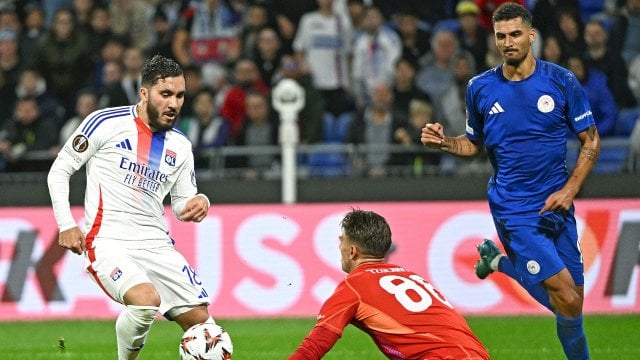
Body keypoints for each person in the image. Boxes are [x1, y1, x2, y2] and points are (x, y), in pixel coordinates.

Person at [421, 4, 599, 359]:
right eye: (501, 36)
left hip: (557, 204)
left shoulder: (561, 81)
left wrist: (569, 190)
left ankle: (498, 263)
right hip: (514, 209)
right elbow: (472, 144)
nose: (508, 42)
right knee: (565, 296)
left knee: (573, 304)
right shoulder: (480, 87)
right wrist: (444, 142)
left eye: (515, 34)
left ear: (531, 35)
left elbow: (590, 140)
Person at [47, 55, 217, 360]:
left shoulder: (180, 145)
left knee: (208, 335)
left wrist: (198, 202)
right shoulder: (105, 123)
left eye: (179, 96)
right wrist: (66, 224)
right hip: (109, 241)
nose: (174, 104)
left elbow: (180, 203)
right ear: (144, 93)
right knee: (145, 300)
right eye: (165, 95)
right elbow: (59, 171)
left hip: (158, 245)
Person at [288, 209, 490, 360]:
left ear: (352, 251)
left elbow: (314, 346)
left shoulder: (353, 287)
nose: (339, 247)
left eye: (342, 241)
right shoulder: (410, 276)